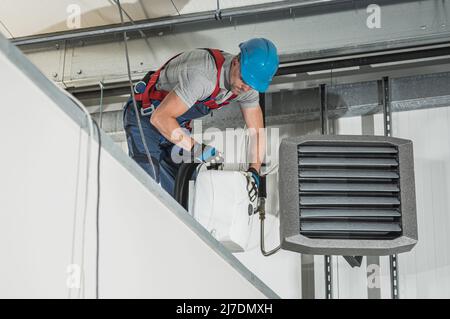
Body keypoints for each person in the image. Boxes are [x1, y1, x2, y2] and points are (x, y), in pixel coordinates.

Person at [123, 38, 279, 200]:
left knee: (187, 192)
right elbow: (160, 118)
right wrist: (198, 150)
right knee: (147, 187)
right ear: (236, 62)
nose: (245, 88)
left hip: (175, 125)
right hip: (145, 118)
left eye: (252, 85)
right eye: (244, 80)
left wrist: (254, 172)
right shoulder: (202, 76)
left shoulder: (247, 88)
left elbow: (257, 133)